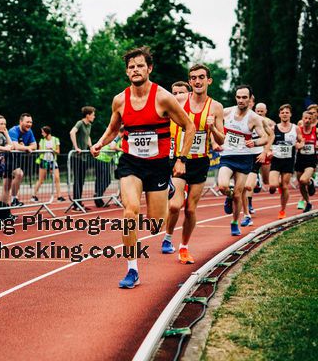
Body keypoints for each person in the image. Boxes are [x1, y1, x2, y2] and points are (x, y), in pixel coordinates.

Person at [90, 46, 195, 289]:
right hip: (131, 163)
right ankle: (132, 269)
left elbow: (189, 126)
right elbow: (114, 128)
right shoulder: (120, 100)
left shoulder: (163, 97)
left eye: (140, 66)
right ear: (127, 72)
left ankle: (167, 188)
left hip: (158, 165)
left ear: (149, 68)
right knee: (130, 211)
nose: (135, 70)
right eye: (131, 67)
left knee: (156, 223)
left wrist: (182, 159)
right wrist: (100, 143)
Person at [162, 64, 225, 264]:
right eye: (193, 78)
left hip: (201, 162)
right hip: (181, 159)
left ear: (209, 80)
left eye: (201, 77)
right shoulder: (180, 100)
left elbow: (222, 139)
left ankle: (184, 247)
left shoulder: (216, 107)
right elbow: (161, 112)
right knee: (174, 205)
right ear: (189, 82)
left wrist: (213, 127)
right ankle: (167, 237)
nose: (197, 81)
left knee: (190, 209)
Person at [218, 85, 267, 236]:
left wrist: (256, 143)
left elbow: (264, 137)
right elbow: (213, 125)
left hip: (244, 158)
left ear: (250, 99)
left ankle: (234, 222)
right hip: (227, 156)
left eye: (244, 97)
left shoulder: (254, 118)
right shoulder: (226, 112)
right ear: (235, 98)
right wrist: (215, 141)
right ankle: (228, 196)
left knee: (239, 194)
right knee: (222, 185)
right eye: (238, 97)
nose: (241, 100)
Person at [240, 100, 275, 226]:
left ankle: (257, 180)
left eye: (262, 111)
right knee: (241, 186)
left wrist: (266, 151)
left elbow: (271, 136)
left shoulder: (264, 121)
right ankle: (246, 214)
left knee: (248, 186)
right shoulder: (240, 118)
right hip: (242, 154)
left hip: (257, 155)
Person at [269, 104, 303, 219]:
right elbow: (268, 141)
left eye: (287, 112)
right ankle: (275, 186)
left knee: (284, 186)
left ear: (290, 114)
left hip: (288, 160)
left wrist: (300, 144)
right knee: (273, 185)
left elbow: (301, 139)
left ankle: (282, 210)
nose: (285, 114)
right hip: (276, 160)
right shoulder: (274, 128)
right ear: (279, 115)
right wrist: (268, 150)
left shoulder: (295, 128)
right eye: (282, 112)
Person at [7, 114, 37, 206]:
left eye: (31, 122)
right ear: (21, 122)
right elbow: (15, 146)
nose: (29, 124)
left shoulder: (29, 131)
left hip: (16, 159)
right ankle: (12, 200)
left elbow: (35, 146)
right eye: (27, 122)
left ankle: (11, 202)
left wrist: (24, 147)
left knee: (11, 181)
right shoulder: (13, 130)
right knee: (18, 174)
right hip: (6, 157)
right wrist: (26, 148)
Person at [69, 106, 96, 210]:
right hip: (76, 156)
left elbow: (88, 136)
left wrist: (91, 147)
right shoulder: (80, 123)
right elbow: (72, 132)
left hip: (84, 157)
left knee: (82, 180)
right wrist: (76, 147)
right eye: (93, 115)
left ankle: (79, 202)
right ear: (87, 115)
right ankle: (76, 204)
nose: (94, 117)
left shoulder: (89, 125)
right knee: (77, 179)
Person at [32, 126, 65, 202]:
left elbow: (58, 151)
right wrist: (45, 150)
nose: (42, 133)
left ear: (47, 132)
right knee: (41, 179)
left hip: (52, 161)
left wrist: (52, 150)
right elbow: (39, 151)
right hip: (44, 161)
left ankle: (59, 196)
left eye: (43, 132)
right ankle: (34, 195)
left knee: (57, 178)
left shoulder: (55, 140)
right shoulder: (42, 141)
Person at [295, 110, 317, 212]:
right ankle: (308, 203)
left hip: (311, 159)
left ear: (313, 120)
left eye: (309, 119)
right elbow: (293, 141)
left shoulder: (315, 130)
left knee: (304, 180)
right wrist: (297, 145)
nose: (307, 120)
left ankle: (311, 181)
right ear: (302, 119)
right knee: (301, 184)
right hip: (300, 159)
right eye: (305, 118)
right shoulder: (297, 130)